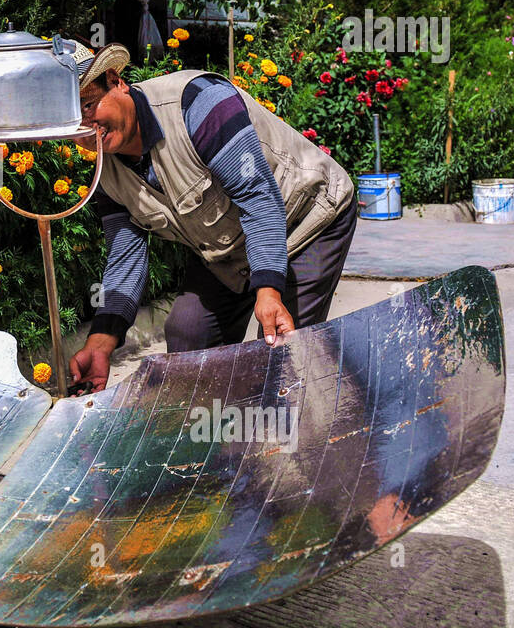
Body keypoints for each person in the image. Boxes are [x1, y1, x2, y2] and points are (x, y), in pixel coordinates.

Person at [68, 42, 358, 393]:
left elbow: (257, 195)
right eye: (73, 119)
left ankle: (303, 432)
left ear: (116, 81)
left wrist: (267, 290)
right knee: (189, 331)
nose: (86, 126)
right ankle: (216, 439)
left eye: (88, 104)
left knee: (284, 347)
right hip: (229, 249)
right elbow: (125, 254)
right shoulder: (105, 166)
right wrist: (101, 342)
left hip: (308, 220)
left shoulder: (197, 103)